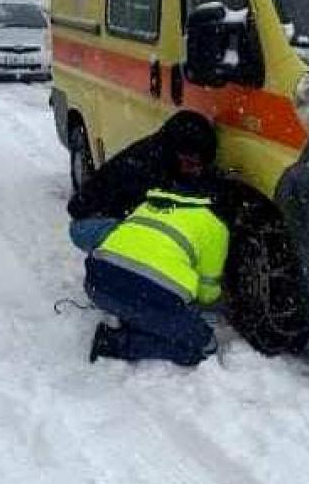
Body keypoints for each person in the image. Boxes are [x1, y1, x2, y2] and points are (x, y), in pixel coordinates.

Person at [67, 112, 233, 366]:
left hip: (97, 280)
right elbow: (207, 294)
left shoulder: (164, 174)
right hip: (90, 224)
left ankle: (131, 301)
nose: (195, 168)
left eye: (199, 164)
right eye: (190, 161)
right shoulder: (145, 170)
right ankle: (116, 341)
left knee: (144, 243)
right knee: (200, 347)